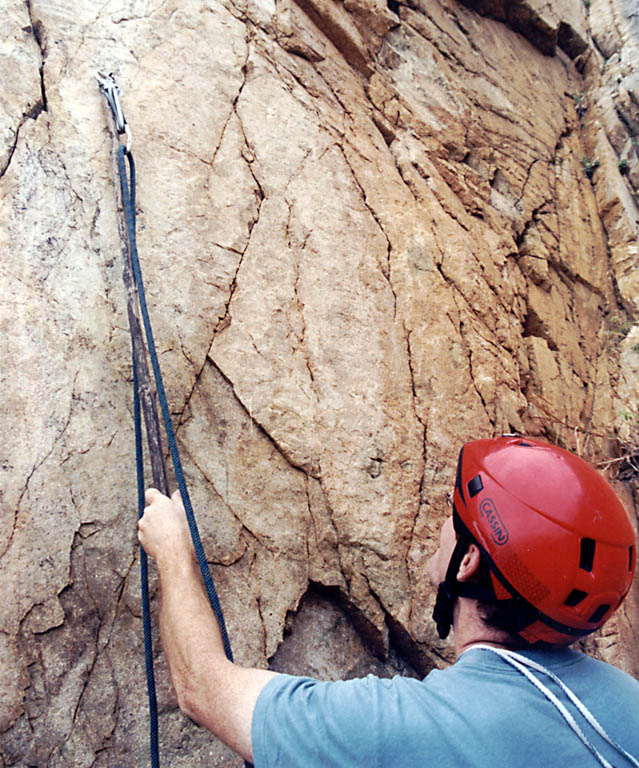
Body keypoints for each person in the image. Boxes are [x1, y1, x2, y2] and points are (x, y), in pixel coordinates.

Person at [138, 435, 639, 766]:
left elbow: (203, 689)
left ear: (467, 563)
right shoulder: (628, 703)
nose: (444, 525)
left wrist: (172, 551)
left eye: (453, 514)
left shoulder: (405, 729)